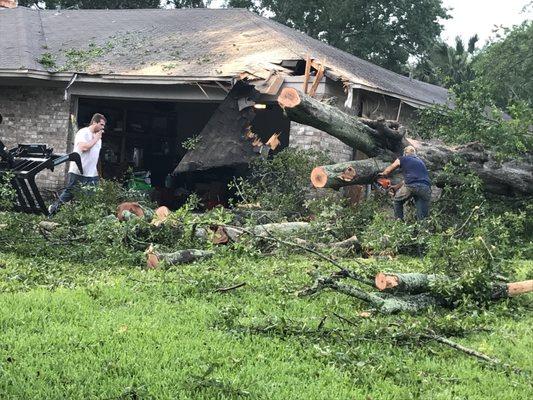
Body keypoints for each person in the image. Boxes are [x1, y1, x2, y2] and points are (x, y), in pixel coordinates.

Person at [48, 113, 106, 215]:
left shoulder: (99, 139)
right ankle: (53, 210)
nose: (103, 128)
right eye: (101, 124)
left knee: (91, 198)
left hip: (92, 175)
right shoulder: (83, 133)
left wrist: (98, 174)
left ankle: (87, 220)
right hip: (78, 171)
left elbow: (95, 157)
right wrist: (96, 139)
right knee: (69, 194)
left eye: (104, 125)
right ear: (94, 122)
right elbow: (83, 148)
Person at [380, 145, 431, 220]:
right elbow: (409, 180)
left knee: (397, 201)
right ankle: (422, 230)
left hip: (411, 186)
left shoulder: (403, 158)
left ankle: (399, 223)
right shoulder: (420, 162)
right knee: (422, 216)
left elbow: (391, 168)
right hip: (425, 187)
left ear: (405, 153)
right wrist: (396, 187)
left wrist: (383, 173)